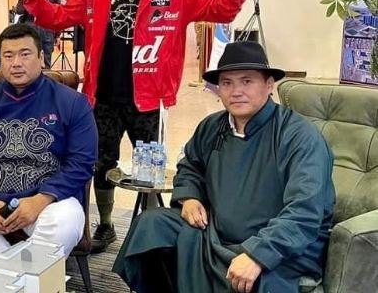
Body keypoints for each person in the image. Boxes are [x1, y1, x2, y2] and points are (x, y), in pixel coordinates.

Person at [10, 0, 260, 253]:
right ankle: (106, 224)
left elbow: (218, 10)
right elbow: (56, 18)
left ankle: (150, 231)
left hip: (149, 97)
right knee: (101, 163)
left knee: (150, 170)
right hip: (102, 96)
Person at [113, 41, 335, 293]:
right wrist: (189, 197)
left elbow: (304, 212)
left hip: (278, 245)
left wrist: (258, 254)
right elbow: (190, 166)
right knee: (151, 225)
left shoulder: (299, 136)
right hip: (214, 232)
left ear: (269, 85)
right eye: (227, 83)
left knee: (261, 282)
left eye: (247, 81)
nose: (236, 91)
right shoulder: (211, 126)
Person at [0, 24, 97, 256]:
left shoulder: (73, 102)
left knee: (65, 221)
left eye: (25, 54)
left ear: (41, 58)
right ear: (0, 60)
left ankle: (6, 271)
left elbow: (82, 163)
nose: (16, 63)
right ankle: (21, 271)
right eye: (8, 55)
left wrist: (40, 201)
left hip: (49, 202)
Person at [14, 0, 61, 69]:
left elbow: (19, 10)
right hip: (48, 30)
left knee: (28, 60)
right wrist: (57, 35)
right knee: (46, 62)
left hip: (30, 28)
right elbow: (58, 12)